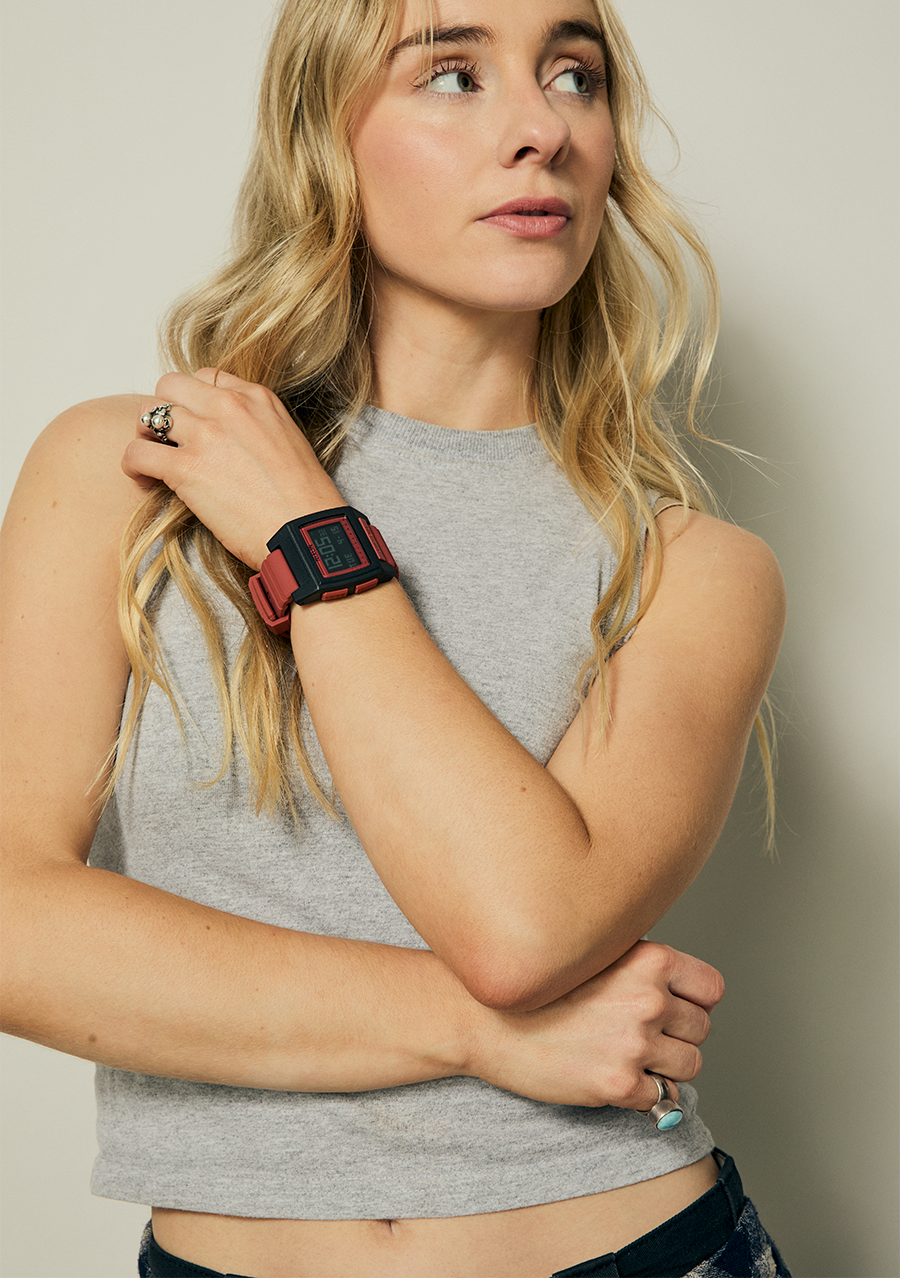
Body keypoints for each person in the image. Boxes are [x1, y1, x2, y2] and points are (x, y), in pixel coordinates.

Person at [0, 0, 789, 1274]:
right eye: (455, 74)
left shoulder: (691, 570)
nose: (542, 130)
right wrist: (482, 1034)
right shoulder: (132, 476)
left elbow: (521, 931)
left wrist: (314, 541)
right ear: (325, 132)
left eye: (574, 75)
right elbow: (12, 930)